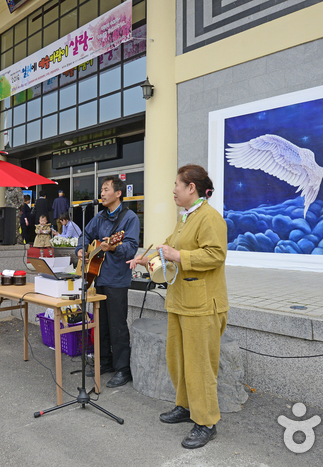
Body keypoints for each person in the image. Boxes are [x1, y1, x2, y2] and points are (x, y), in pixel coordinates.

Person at [127, 164, 228, 450]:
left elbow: (216, 255)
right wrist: (146, 260)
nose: (173, 190)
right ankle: (185, 406)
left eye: (176, 185)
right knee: (179, 360)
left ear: (191, 188)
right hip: (181, 301)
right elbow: (168, 249)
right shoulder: (186, 218)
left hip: (202, 305)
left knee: (199, 366)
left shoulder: (210, 218)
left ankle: (206, 422)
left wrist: (178, 255)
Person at [76, 176, 139, 388]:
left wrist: (113, 247)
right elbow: (84, 234)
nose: (101, 194)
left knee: (117, 325)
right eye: (101, 190)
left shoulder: (129, 218)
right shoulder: (100, 216)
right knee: (100, 323)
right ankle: (104, 362)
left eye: (105, 189)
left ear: (118, 193)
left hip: (117, 280)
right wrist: (81, 249)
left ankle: (123, 369)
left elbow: (131, 247)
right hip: (98, 276)